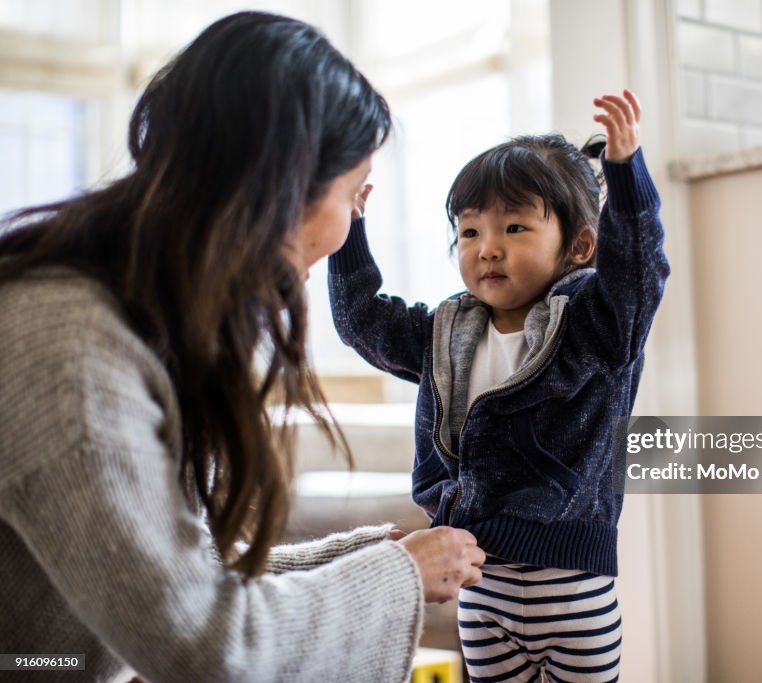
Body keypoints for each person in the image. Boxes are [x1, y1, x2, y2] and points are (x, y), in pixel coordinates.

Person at [0, 11, 484, 683]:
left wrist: (382, 557)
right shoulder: (71, 355)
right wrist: (397, 576)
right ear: (280, 188)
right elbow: (206, 642)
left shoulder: (142, 318)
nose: (350, 227)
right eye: (355, 195)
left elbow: (187, 578)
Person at [329, 90, 670, 682]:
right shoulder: (446, 331)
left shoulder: (595, 326)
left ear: (581, 246)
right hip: (481, 592)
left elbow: (639, 275)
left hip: (574, 593)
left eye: (514, 227)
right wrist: (349, 230)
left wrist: (627, 174)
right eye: (469, 232)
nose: (488, 247)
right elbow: (363, 322)